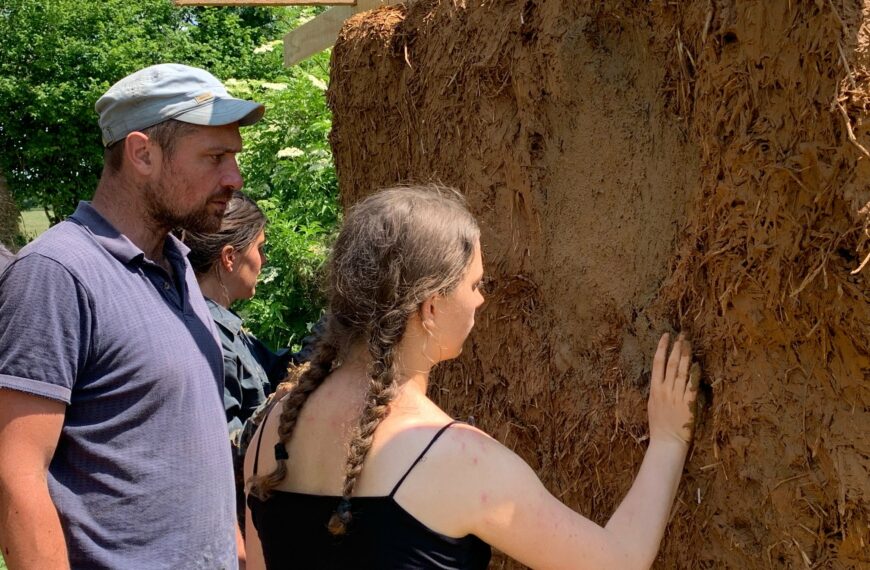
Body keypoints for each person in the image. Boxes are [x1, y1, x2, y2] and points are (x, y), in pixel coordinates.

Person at [243, 185, 699, 569]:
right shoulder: (455, 458)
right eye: (475, 284)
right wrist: (668, 441)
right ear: (432, 307)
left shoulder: (270, 431)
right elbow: (616, 561)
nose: (481, 300)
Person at [0, 63, 264, 569]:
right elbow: (16, 475)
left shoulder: (180, 266)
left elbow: (191, 441)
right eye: (214, 157)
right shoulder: (57, 274)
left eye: (233, 156)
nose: (234, 177)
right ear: (143, 153)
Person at [183, 191, 320, 525]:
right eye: (260, 248)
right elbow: (228, 453)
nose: (265, 260)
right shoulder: (208, 340)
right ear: (230, 258)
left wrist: (336, 328)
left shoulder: (222, 328)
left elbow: (282, 372)